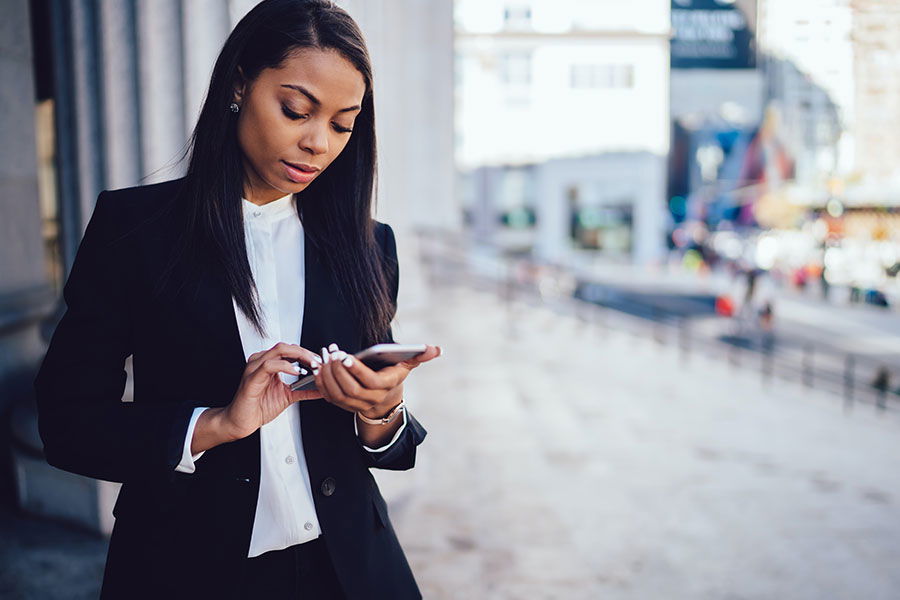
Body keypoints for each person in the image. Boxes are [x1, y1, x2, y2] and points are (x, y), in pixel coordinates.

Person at [32, 1, 440, 598]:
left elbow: (387, 450)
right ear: (239, 85)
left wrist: (380, 411)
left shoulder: (370, 245)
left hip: (349, 569)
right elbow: (66, 424)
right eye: (296, 110)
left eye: (342, 124)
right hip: (185, 569)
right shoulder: (135, 231)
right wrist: (213, 425)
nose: (317, 143)